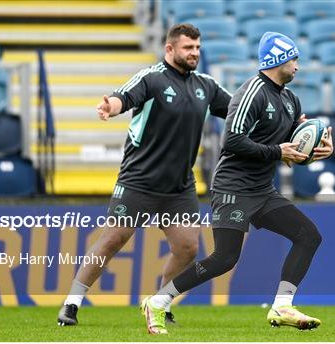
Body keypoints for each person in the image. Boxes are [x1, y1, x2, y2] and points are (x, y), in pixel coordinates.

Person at [141, 31, 334, 335]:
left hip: (262, 190)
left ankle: (282, 305)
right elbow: (231, 140)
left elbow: (293, 144)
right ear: (279, 59)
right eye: (294, 58)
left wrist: (318, 150)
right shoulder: (253, 92)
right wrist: (276, 152)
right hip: (233, 188)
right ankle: (158, 302)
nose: (298, 66)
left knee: (309, 235)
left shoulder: (289, 99)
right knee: (225, 258)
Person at [57, 23, 231, 326]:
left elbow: (240, 110)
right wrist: (110, 106)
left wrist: (286, 120)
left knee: (188, 247)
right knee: (112, 240)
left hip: (179, 186)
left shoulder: (207, 86)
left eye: (198, 48)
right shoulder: (151, 79)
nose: (195, 53)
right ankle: (72, 302)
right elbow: (124, 96)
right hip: (139, 180)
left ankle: (160, 302)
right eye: (188, 47)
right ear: (170, 49)